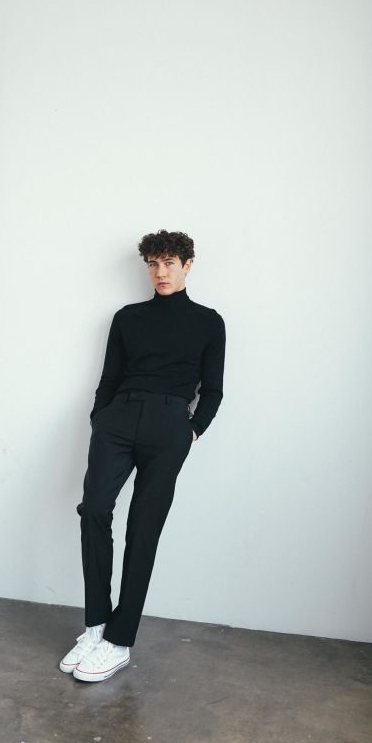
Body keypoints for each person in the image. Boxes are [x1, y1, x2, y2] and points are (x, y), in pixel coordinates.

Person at [60, 230, 225, 682]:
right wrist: (101, 419)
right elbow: (109, 377)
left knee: (143, 528)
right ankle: (96, 626)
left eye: (169, 263)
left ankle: (119, 640)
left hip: (170, 425)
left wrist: (193, 430)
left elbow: (213, 390)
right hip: (119, 418)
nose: (160, 272)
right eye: (153, 263)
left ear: (188, 265)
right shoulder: (127, 318)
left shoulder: (209, 322)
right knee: (94, 510)